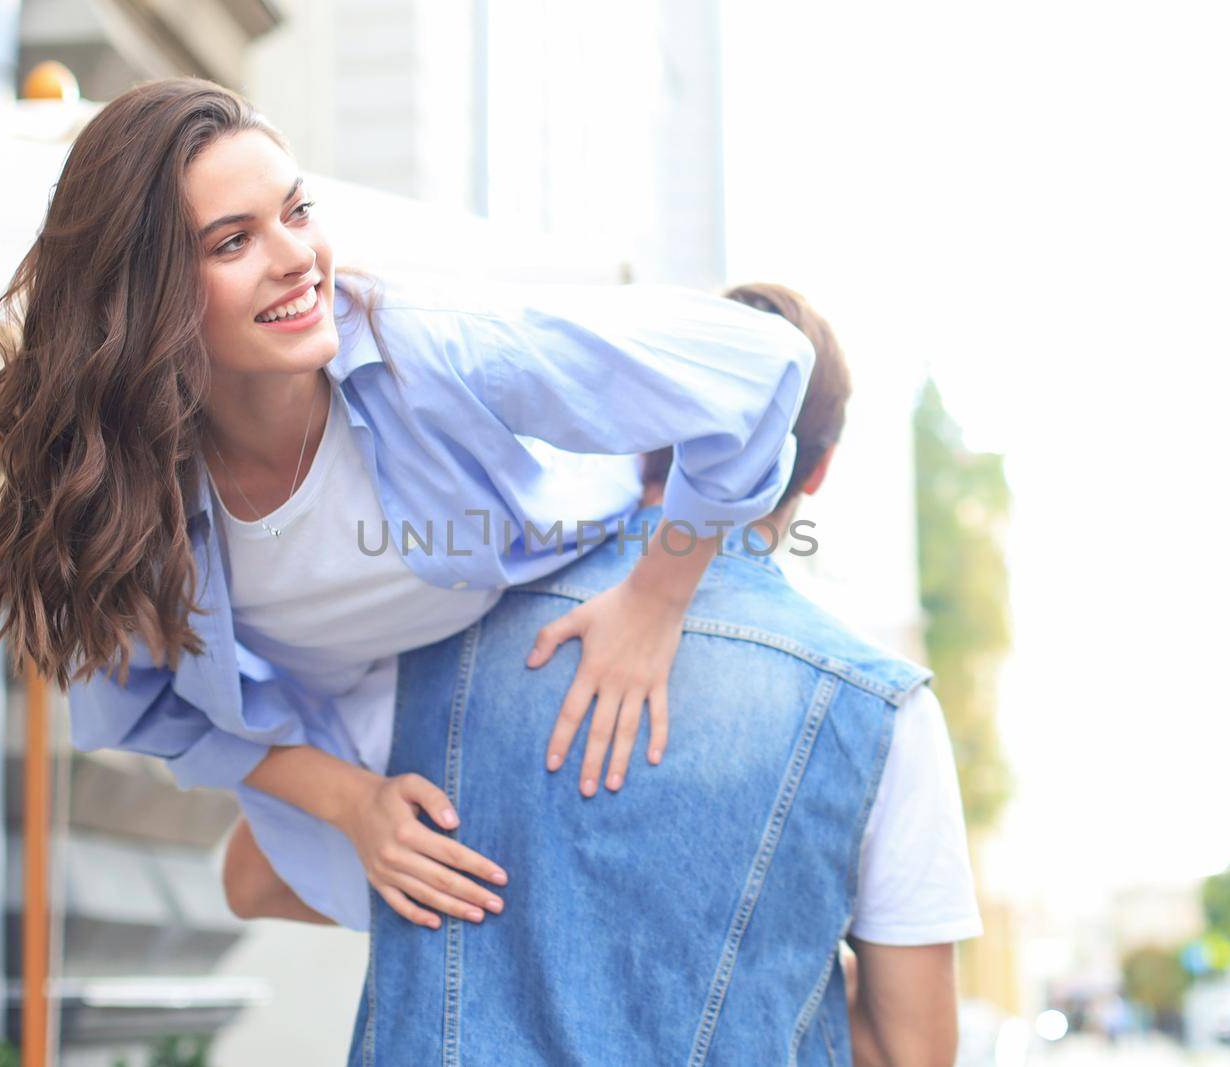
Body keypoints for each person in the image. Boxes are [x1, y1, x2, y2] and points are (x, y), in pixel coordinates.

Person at [0, 76, 816, 934]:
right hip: (357, 713)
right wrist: (353, 803)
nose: (296, 257)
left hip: (555, 600)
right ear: (142, 296)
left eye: (297, 212)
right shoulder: (121, 492)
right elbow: (146, 705)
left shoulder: (433, 347)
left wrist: (655, 600)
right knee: (266, 884)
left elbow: (764, 363)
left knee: (575, 912)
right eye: (233, 242)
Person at [228, 285, 984, 1066]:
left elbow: (251, 878)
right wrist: (788, 950)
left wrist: (479, 917)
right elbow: (911, 1054)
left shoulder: (437, 625)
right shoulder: (879, 710)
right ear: (818, 471)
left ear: (642, 430)